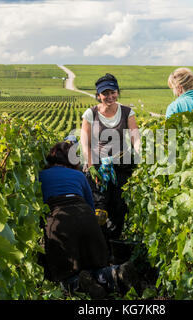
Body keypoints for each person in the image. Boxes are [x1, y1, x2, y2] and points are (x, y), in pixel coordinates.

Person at [39, 140, 138, 298]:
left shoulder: (41, 175)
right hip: (85, 216)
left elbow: (39, 209)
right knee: (94, 265)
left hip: (59, 219)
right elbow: (91, 207)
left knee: (65, 274)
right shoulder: (79, 175)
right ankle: (115, 273)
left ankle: (78, 283)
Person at [80, 73, 141, 245]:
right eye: (105, 93)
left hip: (121, 166)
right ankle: (99, 244)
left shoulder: (127, 112)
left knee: (119, 207)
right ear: (98, 95)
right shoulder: (90, 114)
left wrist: (138, 153)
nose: (109, 97)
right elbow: (85, 142)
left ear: (117, 92)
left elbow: (135, 136)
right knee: (99, 209)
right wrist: (90, 165)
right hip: (98, 167)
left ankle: (112, 244)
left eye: (112, 92)